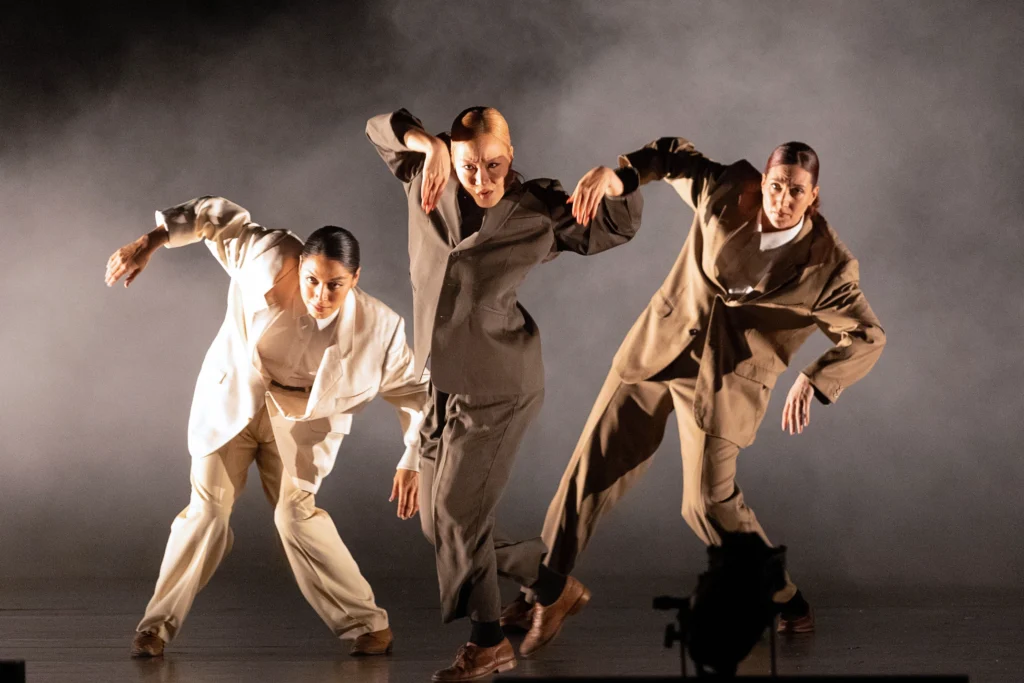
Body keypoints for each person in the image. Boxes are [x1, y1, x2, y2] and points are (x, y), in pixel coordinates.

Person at [505, 138, 887, 654]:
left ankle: (785, 596)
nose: (782, 199)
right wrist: (624, 177)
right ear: (764, 181)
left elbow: (866, 334)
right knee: (586, 474)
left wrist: (817, 378)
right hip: (656, 351)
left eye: (796, 191)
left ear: (813, 195)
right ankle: (544, 591)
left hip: (726, 382)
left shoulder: (830, 265)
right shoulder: (729, 188)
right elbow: (673, 157)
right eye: (776, 186)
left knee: (707, 504)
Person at [367, 106, 643, 681]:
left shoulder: (538, 211)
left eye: (494, 165)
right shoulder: (426, 175)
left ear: (510, 158)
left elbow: (616, 227)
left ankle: (488, 643)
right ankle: (550, 587)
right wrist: (427, 145)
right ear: (453, 155)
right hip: (441, 381)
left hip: (499, 386)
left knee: (455, 518)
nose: (483, 179)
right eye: (471, 165)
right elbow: (379, 127)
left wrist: (620, 180)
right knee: (440, 527)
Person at [103, 196, 429, 658]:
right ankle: (154, 628)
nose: (319, 295)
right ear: (298, 265)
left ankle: (367, 624)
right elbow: (212, 217)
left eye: (334, 286)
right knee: (207, 513)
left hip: (299, 423)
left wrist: (412, 457)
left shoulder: (380, 328)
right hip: (236, 396)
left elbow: (416, 392)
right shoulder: (268, 255)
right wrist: (150, 241)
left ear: (355, 279)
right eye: (311, 280)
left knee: (295, 517)